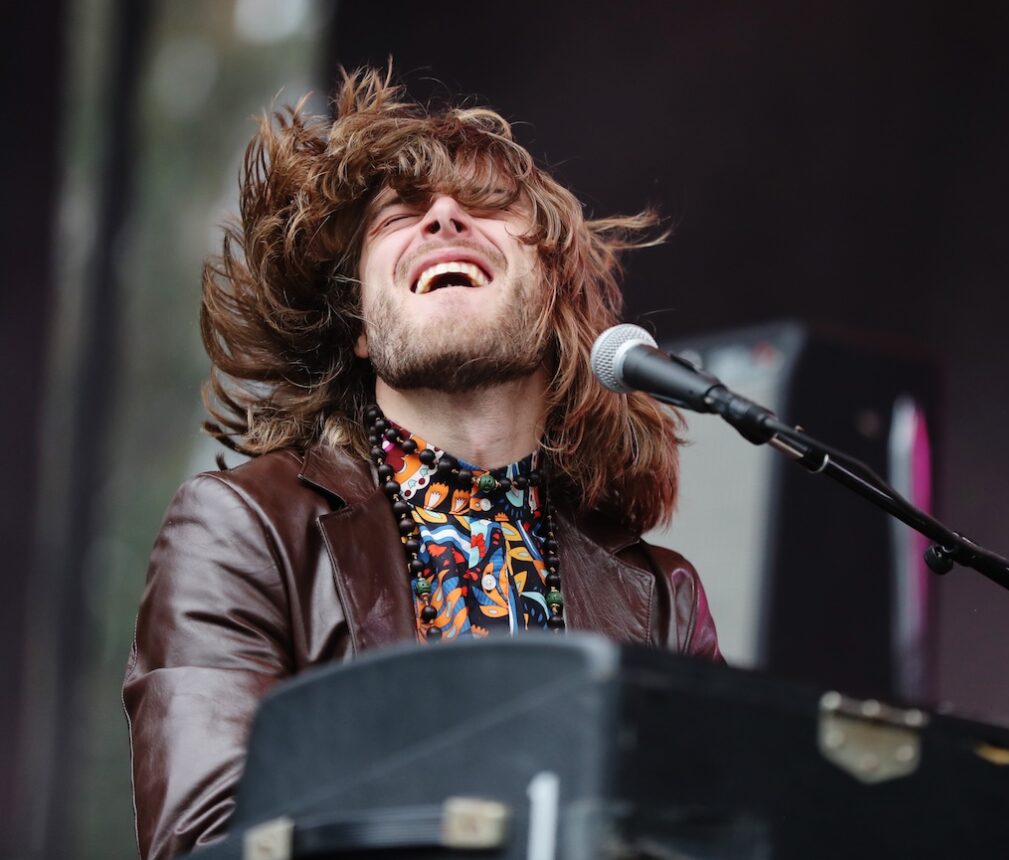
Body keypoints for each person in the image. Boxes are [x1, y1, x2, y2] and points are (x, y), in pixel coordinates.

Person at [123, 66, 721, 860]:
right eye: (397, 216)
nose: (442, 217)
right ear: (362, 328)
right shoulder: (244, 528)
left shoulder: (660, 595)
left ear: (553, 303)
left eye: (486, 205)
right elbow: (208, 842)